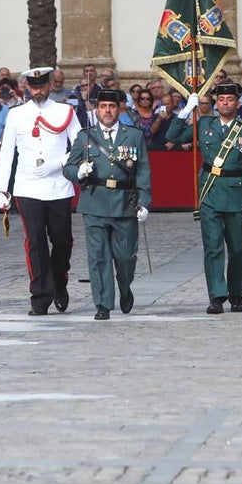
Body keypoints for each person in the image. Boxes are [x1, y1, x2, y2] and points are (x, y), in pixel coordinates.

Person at [167, 82, 242, 314]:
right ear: (215, 103)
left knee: (238, 249)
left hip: (237, 194)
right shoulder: (204, 124)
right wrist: (185, 110)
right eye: (220, 100)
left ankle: (236, 293)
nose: (225, 104)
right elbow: (172, 137)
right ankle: (217, 296)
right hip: (210, 192)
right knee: (212, 247)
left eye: (229, 100)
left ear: (237, 102)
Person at [0, 67, 81, 315]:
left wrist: (59, 163)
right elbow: (7, 152)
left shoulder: (65, 111)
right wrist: (1, 188)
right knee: (35, 242)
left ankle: (59, 281)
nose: (38, 91)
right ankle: (40, 297)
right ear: (27, 87)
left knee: (62, 241)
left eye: (42, 86)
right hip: (27, 186)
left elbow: (79, 145)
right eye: (33, 87)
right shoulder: (16, 115)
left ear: (50, 85)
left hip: (58, 186)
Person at [63, 89, 152, 320]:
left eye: (112, 106)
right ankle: (103, 303)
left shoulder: (133, 135)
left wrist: (144, 202)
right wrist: (79, 172)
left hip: (125, 203)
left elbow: (142, 171)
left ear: (119, 108)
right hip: (95, 202)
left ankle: (124, 286)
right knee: (98, 257)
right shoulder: (85, 137)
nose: (108, 111)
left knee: (125, 257)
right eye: (103, 106)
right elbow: (68, 168)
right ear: (97, 109)